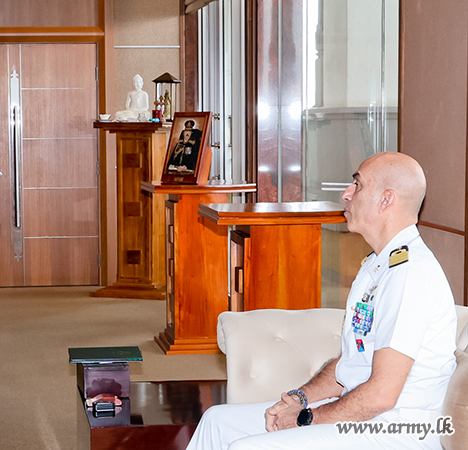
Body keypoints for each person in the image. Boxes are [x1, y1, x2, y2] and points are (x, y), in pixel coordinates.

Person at [186, 152, 457, 450]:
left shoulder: (410, 274)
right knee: (217, 421)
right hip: (362, 418)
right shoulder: (377, 264)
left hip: (397, 430)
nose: (346, 194)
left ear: (386, 200)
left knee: (246, 448)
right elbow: (352, 360)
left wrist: (307, 418)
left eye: (358, 185)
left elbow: (381, 395)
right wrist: (299, 399)